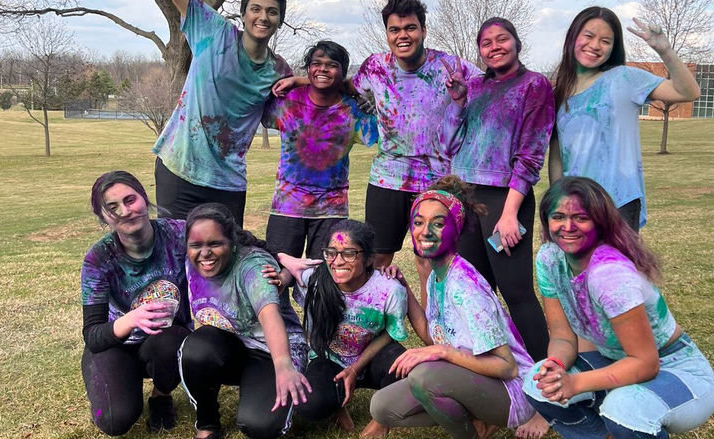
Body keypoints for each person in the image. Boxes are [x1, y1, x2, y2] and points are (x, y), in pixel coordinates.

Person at [274, 0, 480, 302]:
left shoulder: (450, 65)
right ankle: (368, 328)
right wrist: (301, 79)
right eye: (394, 29)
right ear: (387, 34)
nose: (403, 35)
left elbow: (487, 85)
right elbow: (341, 84)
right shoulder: (375, 66)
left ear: (423, 29)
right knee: (375, 260)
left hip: (435, 182)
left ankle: (436, 331)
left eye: (410, 27)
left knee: (431, 261)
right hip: (387, 179)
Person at [522, 176, 714, 438]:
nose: (567, 227)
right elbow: (561, 336)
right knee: (538, 383)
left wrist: (576, 383)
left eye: (580, 218)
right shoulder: (550, 259)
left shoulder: (610, 275)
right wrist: (556, 366)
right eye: (558, 217)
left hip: (674, 366)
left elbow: (646, 363)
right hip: (615, 360)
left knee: (624, 409)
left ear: (600, 222)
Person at [370, 176, 537, 439]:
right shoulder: (438, 276)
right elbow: (430, 334)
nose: (425, 231)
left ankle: (471, 434)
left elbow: (507, 367)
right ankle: (475, 419)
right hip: (471, 375)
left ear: (456, 229)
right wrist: (405, 289)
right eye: (418, 222)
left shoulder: (463, 287)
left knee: (424, 377)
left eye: (438, 223)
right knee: (382, 407)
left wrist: (443, 353)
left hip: (513, 392)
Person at [440, 17, 554, 367]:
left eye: (502, 39)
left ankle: (546, 380)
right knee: (475, 293)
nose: (494, 47)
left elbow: (532, 154)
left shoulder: (534, 85)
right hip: (465, 199)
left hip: (505, 200)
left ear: (517, 43)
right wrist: (457, 102)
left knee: (517, 292)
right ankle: (492, 370)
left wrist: (509, 213)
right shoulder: (472, 87)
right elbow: (446, 143)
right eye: (486, 43)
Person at [547, 7, 700, 231]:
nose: (595, 45)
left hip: (619, 202)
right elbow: (557, 157)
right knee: (580, 268)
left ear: (612, 48)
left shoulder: (625, 79)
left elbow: (689, 92)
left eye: (605, 41)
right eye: (589, 36)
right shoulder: (557, 94)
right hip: (576, 205)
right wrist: (559, 204)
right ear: (573, 38)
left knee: (615, 267)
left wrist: (665, 51)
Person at [152, 0, 293, 227]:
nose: (263, 17)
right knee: (176, 251)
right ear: (243, 13)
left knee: (227, 257)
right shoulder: (214, 30)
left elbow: (306, 105)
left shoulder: (279, 71)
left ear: (280, 20)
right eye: (255, 9)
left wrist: (302, 81)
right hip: (180, 168)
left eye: (272, 12)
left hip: (228, 182)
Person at [178, 203, 310, 439]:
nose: (204, 253)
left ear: (233, 242)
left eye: (215, 244)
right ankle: (207, 424)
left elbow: (269, 315)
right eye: (196, 245)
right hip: (233, 345)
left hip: (273, 350)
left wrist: (282, 365)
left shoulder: (253, 267)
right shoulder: (190, 261)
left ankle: (269, 388)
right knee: (196, 350)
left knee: (259, 425)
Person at [272, 220, 413, 437]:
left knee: (407, 371)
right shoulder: (315, 280)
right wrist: (282, 275)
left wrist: (356, 368)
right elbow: (287, 263)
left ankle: (382, 417)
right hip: (330, 359)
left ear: (368, 258)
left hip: (372, 356)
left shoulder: (389, 289)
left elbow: (390, 333)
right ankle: (337, 405)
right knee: (310, 405)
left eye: (349, 253)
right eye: (331, 253)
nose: (337, 261)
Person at [80, 171, 192, 435]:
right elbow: (93, 335)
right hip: (115, 343)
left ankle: (161, 395)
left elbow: (234, 240)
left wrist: (280, 259)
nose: (125, 211)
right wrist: (132, 319)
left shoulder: (180, 233)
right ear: (103, 216)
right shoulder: (98, 259)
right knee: (114, 420)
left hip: (164, 339)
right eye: (112, 207)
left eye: (131, 199)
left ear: (144, 198)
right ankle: (121, 382)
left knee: (172, 341)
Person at [261, 41, 378, 261]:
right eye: (317, 63)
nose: (323, 69)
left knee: (323, 278)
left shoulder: (353, 112)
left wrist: (369, 103)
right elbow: (254, 102)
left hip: (331, 210)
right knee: (276, 272)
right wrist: (295, 82)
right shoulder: (287, 101)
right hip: (287, 206)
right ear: (308, 69)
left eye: (332, 65)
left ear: (343, 73)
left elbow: (386, 131)